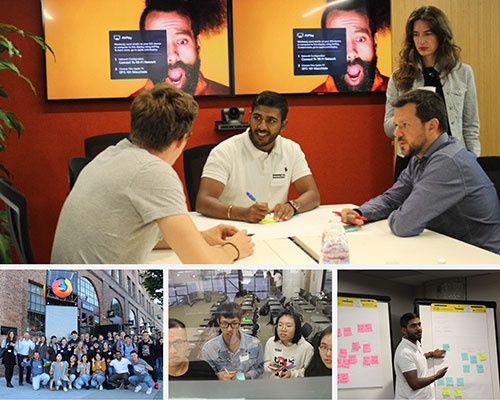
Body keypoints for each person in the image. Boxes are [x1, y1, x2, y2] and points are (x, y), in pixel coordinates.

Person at [51, 83, 254, 264]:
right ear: (182, 139)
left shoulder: (111, 155)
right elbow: (201, 262)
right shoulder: (153, 172)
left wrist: (201, 237)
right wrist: (234, 249)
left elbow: (125, 237)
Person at [341, 90, 500, 254]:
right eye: (396, 125)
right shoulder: (421, 157)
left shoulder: (448, 161)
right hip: (447, 249)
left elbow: (404, 224)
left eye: (405, 125)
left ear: (432, 126)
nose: (396, 133)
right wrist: (360, 213)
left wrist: (402, 211)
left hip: (479, 257)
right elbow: (392, 199)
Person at [384, 5, 480, 180]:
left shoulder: (463, 73)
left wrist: (473, 161)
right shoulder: (400, 77)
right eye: (416, 34)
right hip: (411, 161)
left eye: (428, 34)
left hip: (452, 160)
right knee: (408, 207)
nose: (421, 41)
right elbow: (389, 128)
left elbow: (470, 127)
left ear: (441, 35)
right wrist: (407, 118)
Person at [197, 91, 320, 223]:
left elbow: (312, 194)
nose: (262, 126)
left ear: (283, 125)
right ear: (249, 118)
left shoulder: (291, 149)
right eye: (257, 117)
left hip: (276, 228)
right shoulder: (224, 151)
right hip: (232, 228)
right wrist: (243, 214)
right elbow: (203, 202)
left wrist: (292, 206)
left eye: (271, 121)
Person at [131, 0, 229, 96]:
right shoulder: (128, 108)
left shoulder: (225, 97)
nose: (172, 56)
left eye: (182, 42)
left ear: (197, 43)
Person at [312, 0, 389, 93]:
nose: (351, 53)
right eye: (338, 42)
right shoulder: (308, 105)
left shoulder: (401, 95)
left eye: (360, 39)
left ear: (374, 41)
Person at [202, 302, 264, 380]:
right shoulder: (209, 348)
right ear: (218, 322)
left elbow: (260, 368)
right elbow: (207, 375)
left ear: (240, 321)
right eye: (224, 323)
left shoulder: (254, 344)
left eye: (234, 324)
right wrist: (217, 376)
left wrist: (244, 377)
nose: (229, 329)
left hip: (247, 387)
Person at [394, 313, 448, 399]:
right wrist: (436, 376)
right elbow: (415, 384)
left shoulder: (414, 344)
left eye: (419, 324)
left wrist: (431, 354)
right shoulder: (404, 353)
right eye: (413, 326)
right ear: (404, 330)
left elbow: (416, 358)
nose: (418, 328)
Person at [263, 310, 314, 379]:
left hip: (294, 385)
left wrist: (292, 374)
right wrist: (270, 366)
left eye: (288, 326)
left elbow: (309, 372)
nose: (283, 329)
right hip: (272, 383)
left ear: (297, 328)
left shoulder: (307, 348)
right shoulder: (271, 342)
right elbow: (265, 363)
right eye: (280, 325)